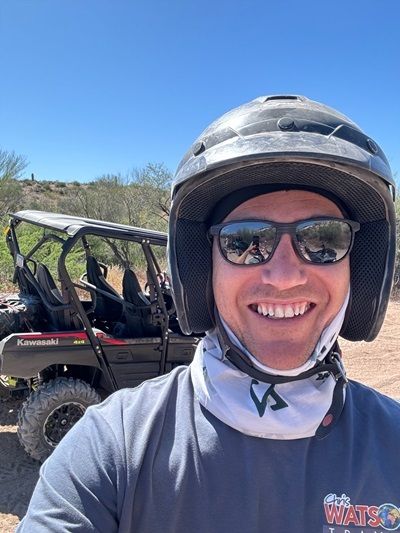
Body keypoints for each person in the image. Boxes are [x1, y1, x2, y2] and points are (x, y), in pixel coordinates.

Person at [18, 95, 399, 532]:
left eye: (324, 241)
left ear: (361, 266)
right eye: (244, 242)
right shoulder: (111, 447)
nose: (284, 276)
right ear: (203, 270)